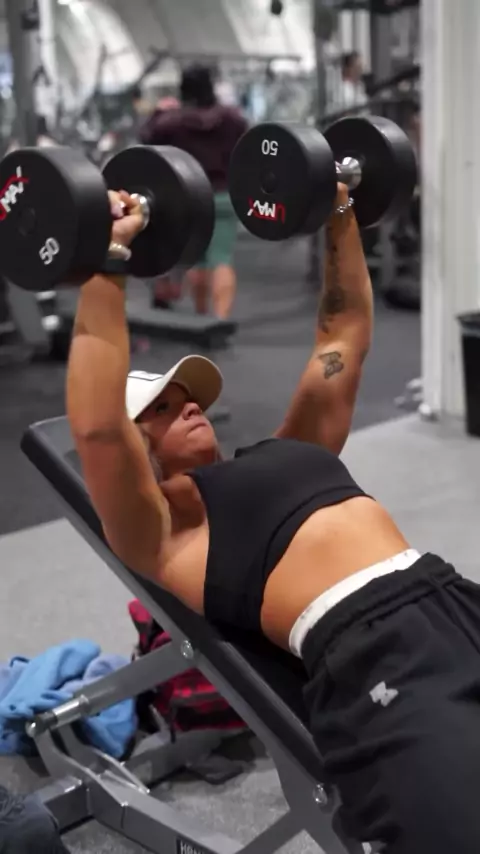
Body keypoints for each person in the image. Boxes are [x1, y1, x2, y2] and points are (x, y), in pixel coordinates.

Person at [66, 185, 480, 854]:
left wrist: (337, 208)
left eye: (188, 396)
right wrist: (110, 257)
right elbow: (97, 429)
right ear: (137, 446)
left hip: (453, 598)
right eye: (162, 408)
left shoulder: (293, 447)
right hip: (374, 654)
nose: (189, 405)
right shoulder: (169, 531)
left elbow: (342, 335)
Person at [139, 64, 247, 319]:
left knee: (197, 259)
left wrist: (158, 111)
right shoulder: (232, 118)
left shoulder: (171, 122)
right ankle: (220, 320)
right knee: (221, 258)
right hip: (223, 194)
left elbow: (146, 138)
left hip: (190, 196)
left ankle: (201, 318)